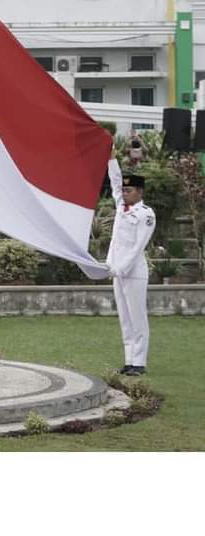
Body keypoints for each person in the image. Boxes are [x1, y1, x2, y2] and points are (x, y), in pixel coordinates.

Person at [105, 159, 155, 376]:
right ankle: (129, 361)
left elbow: (137, 247)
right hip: (117, 270)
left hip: (133, 272)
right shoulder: (120, 207)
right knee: (125, 319)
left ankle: (140, 362)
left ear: (140, 192)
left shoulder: (146, 214)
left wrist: (121, 268)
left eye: (129, 190)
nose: (124, 193)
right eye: (124, 190)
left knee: (137, 317)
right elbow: (114, 181)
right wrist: (111, 158)